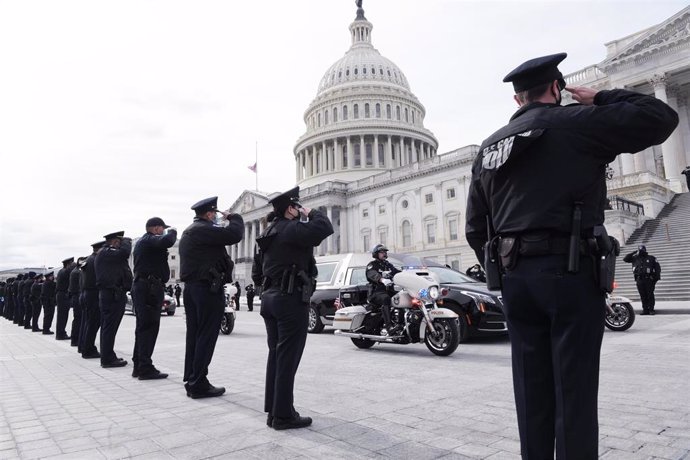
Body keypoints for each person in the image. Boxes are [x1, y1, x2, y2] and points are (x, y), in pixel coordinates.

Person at [465, 52, 678, 459]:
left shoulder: (490, 147)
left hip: (516, 280)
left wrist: (507, 269)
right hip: (570, 271)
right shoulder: (578, 123)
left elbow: (476, 226)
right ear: (557, 88)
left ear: (517, 100)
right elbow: (660, 117)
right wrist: (599, 98)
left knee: (530, 390)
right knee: (574, 390)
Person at [253, 186, 333, 430]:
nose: (300, 211)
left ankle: (275, 410)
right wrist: (312, 211)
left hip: (270, 298)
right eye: (296, 207)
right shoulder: (291, 228)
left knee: (276, 356)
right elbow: (324, 227)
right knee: (288, 357)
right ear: (290, 208)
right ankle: (284, 415)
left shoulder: (270, 231)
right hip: (289, 299)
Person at [179, 196, 244, 398]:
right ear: (209, 214)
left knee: (195, 335)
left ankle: (193, 378)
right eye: (214, 215)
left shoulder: (190, 230)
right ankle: (198, 382)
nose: (216, 218)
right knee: (206, 336)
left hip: (192, 289)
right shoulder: (203, 229)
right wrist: (234, 217)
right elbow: (234, 235)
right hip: (206, 289)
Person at [131, 217, 178, 380]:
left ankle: (139, 364)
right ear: (156, 229)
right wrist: (173, 231)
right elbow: (168, 240)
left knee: (143, 327)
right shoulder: (149, 240)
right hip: (149, 288)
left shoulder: (145, 242)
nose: (164, 231)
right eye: (162, 229)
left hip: (146, 287)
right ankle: (145, 367)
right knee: (149, 327)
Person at [95, 231, 133, 368]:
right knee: (109, 328)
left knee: (108, 327)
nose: (120, 245)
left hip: (111, 294)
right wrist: (127, 241)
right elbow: (125, 253)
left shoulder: (106, 253)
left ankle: (108, 355)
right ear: (115, 241)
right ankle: (107, 358)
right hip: (111, 295)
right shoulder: (107, 252)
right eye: (119, 242)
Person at [365, 244, 401, 335]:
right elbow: (372, 274)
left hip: (389, 291)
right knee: (385, 299)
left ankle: (400, 323)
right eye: (382, 252)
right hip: (376, 292)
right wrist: (381, 279)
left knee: (402, 297)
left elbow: (397, 273)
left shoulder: (388, 265)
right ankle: (389, 327)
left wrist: (408, 274)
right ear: (376, 254)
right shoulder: (372, 265)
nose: (384, 254)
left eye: (385, 252)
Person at [80, 240, 105, 358]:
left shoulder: (88, 259)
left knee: (90, 323)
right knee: (93, 323)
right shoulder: (96, 260)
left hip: (87, 293)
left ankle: (86, 347)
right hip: (93, 294)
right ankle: (88, 349)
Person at [623, 245, 661, 315]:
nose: (641, 252)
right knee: (642, 295)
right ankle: (645, 310)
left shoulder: (651, 258)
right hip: (639, 279)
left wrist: (655, 279)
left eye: (642, 250)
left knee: (650, 295)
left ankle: (651, 310)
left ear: (645, 250)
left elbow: (658, 268)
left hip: (649, 279)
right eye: (640, 250)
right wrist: (633, 252)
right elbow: (625, 259)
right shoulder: (635, 258)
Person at [55, 258, 75, 339]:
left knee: (62, 316)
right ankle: (60, 334)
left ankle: (61, 333)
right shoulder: (65, 271)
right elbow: (71, 270)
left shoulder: (61, 271)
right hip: (63, 295)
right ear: (68, 264)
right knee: (62, 316)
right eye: (71, 263)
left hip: (61, 295)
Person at [69, 257, 86, 348]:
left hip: (76, 297)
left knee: (77, 319)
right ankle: (75, 339)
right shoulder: (78, 272)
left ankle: (75, 339)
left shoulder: (75, 271)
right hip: (78, 296)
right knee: (78, 319)